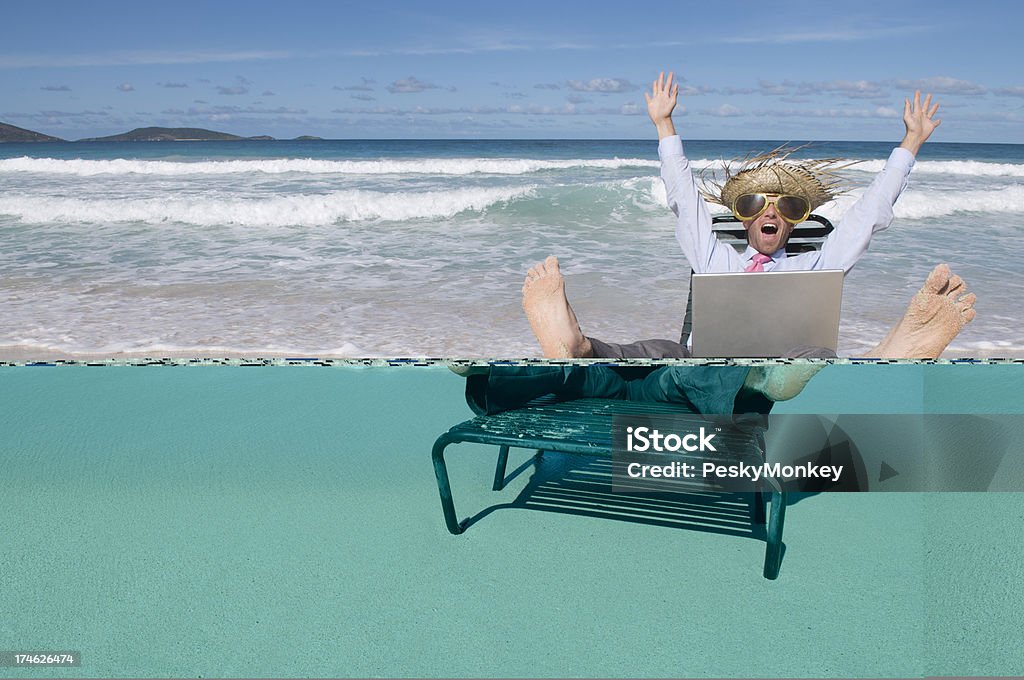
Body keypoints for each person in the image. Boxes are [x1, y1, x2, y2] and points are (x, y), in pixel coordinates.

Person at [648, 71, 941, 274]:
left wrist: (912, 141)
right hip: (710, 360)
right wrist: (664, 124)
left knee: (813, 352)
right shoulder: (715, 260)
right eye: (756, 204)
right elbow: (685, 202)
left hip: (789, 361)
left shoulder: (816, 268)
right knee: (623, 350)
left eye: (786, 206)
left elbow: (867, 217)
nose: (771, 213)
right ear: (744, 217)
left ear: (793, 222)